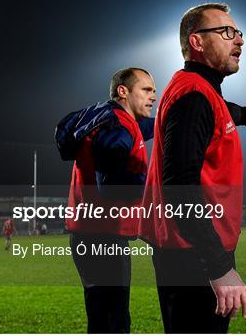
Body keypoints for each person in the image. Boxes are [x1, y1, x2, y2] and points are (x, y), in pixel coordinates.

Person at [139, 3, 246, 333]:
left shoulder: (199, 90)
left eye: (238, 33)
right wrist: (219, 267)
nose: (238, 40)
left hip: (191, 251)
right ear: (196, 42)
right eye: (226, 32)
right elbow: (179, 187)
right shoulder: (194, 96)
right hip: (192, 256)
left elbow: (226, 111)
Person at [55, 68, 156, 333]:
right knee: (114, 323)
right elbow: (111, 186)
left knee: (101, 321)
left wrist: (235, 114)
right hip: (105, 238)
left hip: (86, 235)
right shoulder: (117, 125)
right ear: (123, 91)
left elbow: (164, 123)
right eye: (146, 89)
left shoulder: (102, 117)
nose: (153, 96)